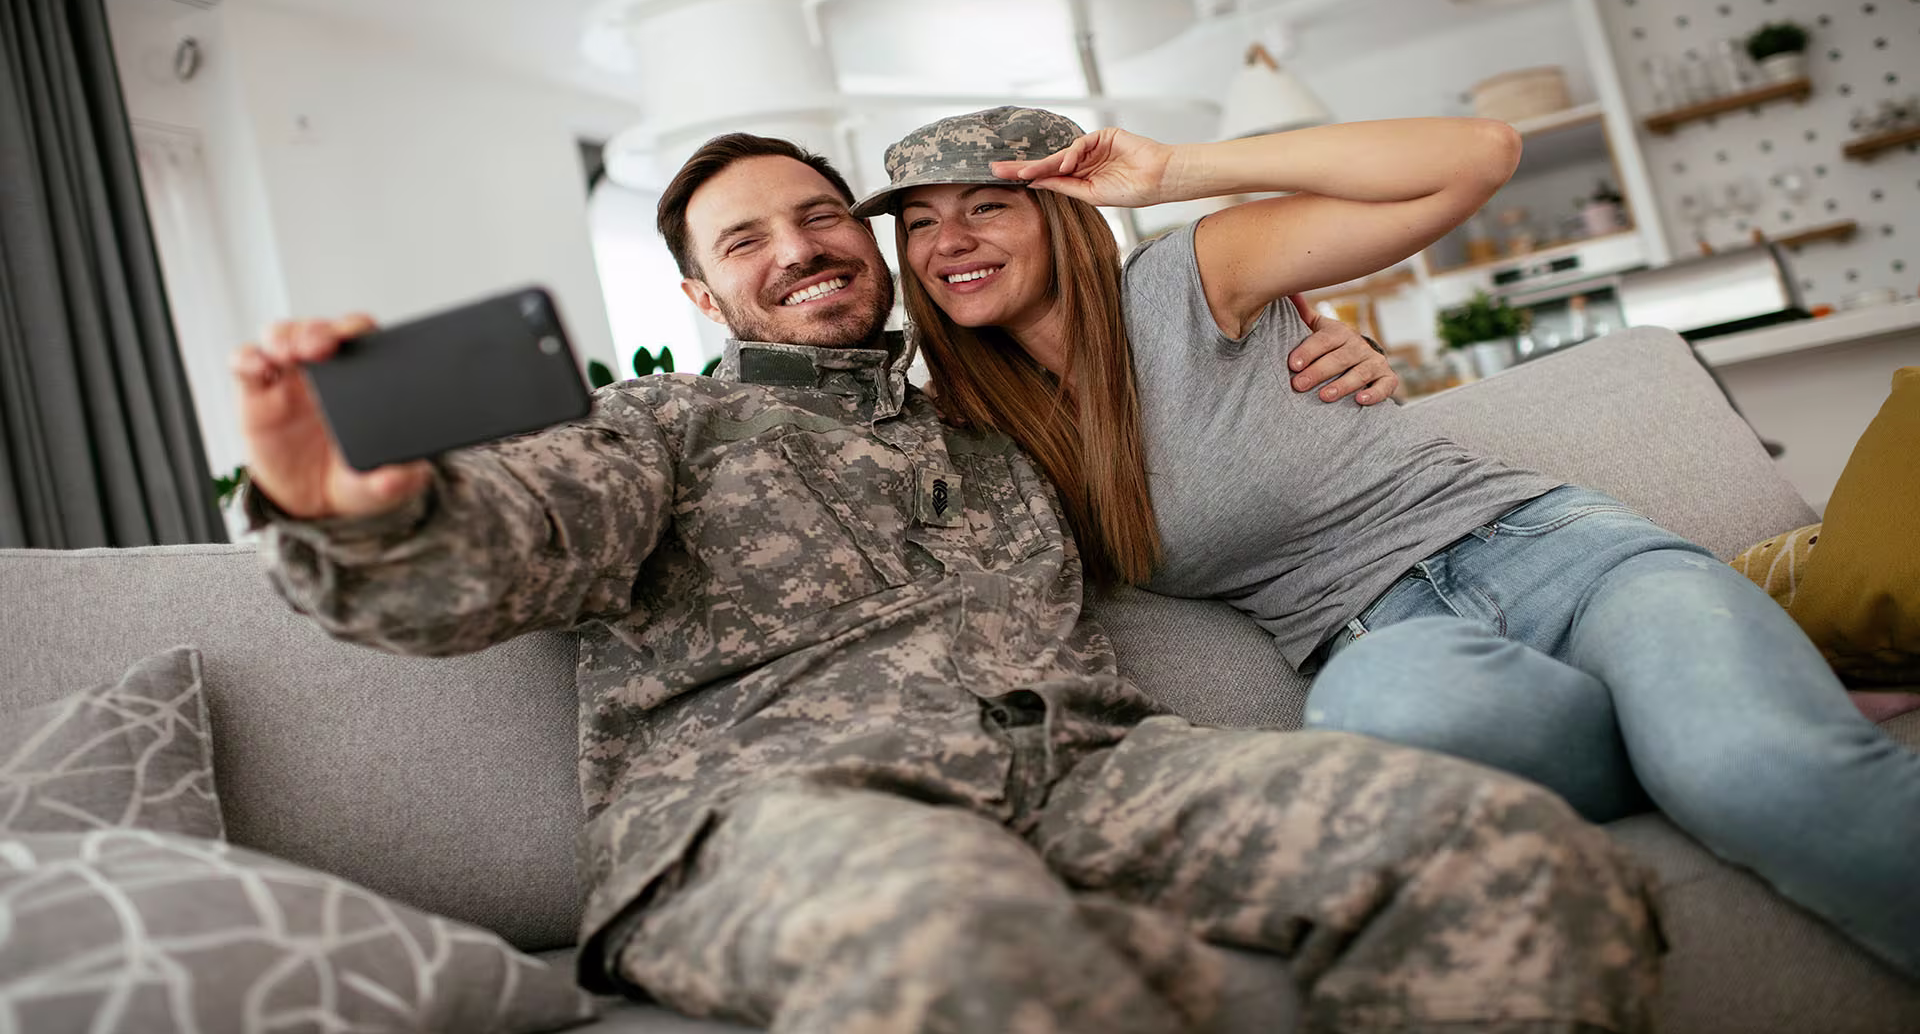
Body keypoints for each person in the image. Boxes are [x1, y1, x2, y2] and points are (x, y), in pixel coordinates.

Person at [231, 131, 1664, 1034]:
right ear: (700, 298)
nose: (798, 249)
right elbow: (505, 546)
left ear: (879, 246)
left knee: (1499, 843)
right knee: (957, 945)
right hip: (789, 813)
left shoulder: (1000, 441)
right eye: (747, 241)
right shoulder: (658, 428)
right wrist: (363, 510)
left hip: (1091, 779)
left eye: (823, 217)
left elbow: (1212, 458)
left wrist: (1349, 368)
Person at [861, 105, 1920, 981]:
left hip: (1556, 553)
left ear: (1061, 211)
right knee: (1383, 715)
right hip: (1383, 640)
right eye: (918, 224)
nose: (948, 241)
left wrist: (1179, 170)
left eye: (987, 206)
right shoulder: (975, 432)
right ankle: (1703, 714)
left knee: (1754, 771)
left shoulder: (1188, 278)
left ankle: (1726, 728)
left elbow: (1477, 157)